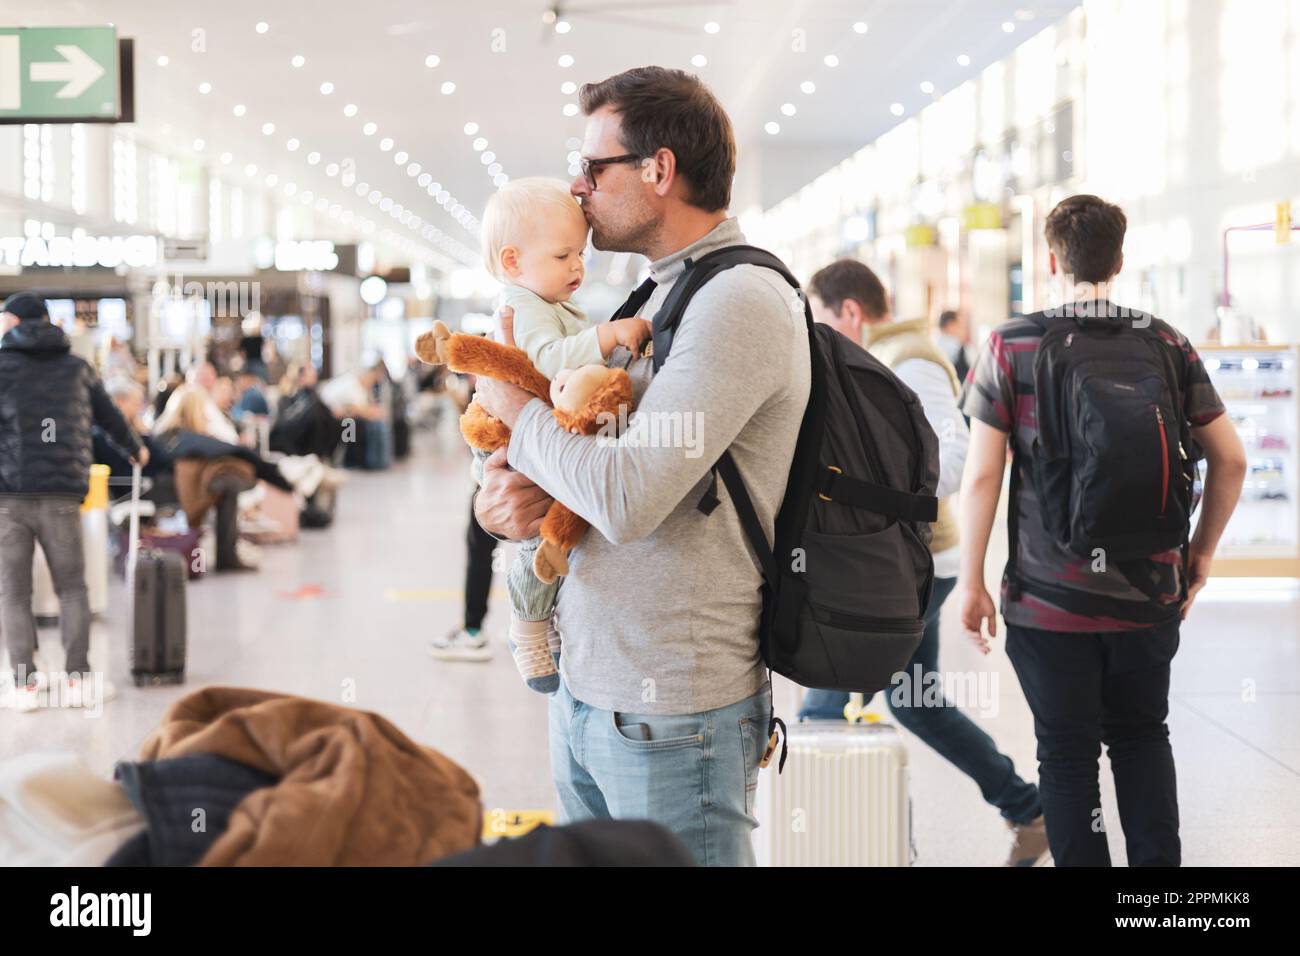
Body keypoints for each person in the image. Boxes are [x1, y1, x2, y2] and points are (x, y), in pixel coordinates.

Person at [472, 66, 810, 866]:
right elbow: (579, 454)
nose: (576, 187)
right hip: (593, 687)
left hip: (675, 710)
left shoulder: (737, 302)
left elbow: (626, 499)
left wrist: (516, 412)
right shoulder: (657, 297)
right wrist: (503, 498)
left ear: (658, 170)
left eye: (593, 168)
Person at [959, 194, 1247, 867]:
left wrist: (972, 581)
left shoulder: (1012, 343)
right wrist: (1200, 556)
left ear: (1051, 260)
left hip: (1048, 602)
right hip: (1149, 594)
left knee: (1066, 756)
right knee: (1143, 739)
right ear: (1119, 261)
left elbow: (982, 477)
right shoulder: (1166, 343)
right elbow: (1231, 459)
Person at [798, 259, 1048, 866]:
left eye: (822, 317)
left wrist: (862, 491)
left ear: (849, 311)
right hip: (905, 561)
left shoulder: (908, 360)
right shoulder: (882, 353)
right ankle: (1028, 809)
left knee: (825, 708)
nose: (819, 330)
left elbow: (954, 461)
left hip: (912, 565)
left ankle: (882, 851)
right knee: (915, 700)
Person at [432, 177, 651, 691]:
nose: (577, 267)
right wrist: (606, 336)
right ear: (513, 262)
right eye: (562, 255)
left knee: (552, 533)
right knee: (536, 542)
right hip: (509, 444)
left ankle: (541, 620)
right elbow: (547, 363)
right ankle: (527, 628)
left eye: (580, 254)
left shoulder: (549, 303)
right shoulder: (523, 307)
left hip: (532, 439)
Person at [0, 293, 146, 712]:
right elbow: (110, 417)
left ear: (16, 321)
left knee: (14, 592)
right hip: (62, 493)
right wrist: (136, 449)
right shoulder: (77, 368)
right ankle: (78, 679)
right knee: (72, 587)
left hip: (9, 494)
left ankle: (24, 684)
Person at [936, 309, 973, 384]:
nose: (963, 329)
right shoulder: (958, 347)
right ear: (951, 326)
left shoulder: (934, 346)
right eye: (960, 325)